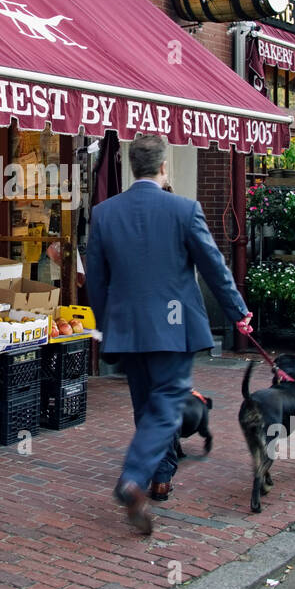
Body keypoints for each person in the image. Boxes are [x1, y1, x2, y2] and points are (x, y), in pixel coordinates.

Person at [86, 133, 253, 535]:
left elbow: (95, 280)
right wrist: (238, 312)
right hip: (174, 328)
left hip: (127, 329)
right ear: (164, 167)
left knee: (147, 409)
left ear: (132, 167)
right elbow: (214, 266)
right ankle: (133, 478)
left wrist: (108, 324)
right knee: (167, 405)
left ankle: (159, 481)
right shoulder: (184, 209)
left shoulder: (105, 213)